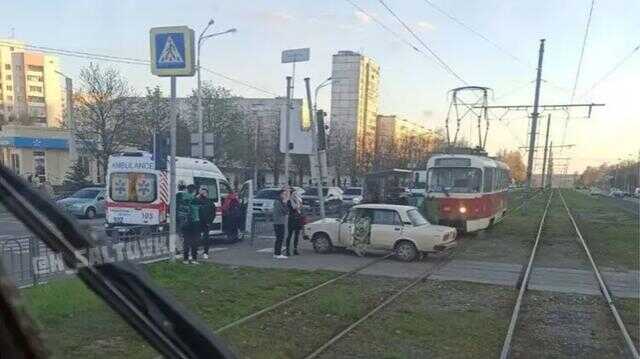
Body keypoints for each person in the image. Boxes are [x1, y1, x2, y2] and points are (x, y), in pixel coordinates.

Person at [178, 184, 201, 264]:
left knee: (186, 241)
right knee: (194, 241)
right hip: (194, 222)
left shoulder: (182, 198)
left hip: (184, 222)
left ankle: (185, 259)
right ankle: (194, 259)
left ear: (187, 190)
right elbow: (197, 212)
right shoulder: (195, 199)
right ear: (194, 191)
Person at [196, 187, 216, 259]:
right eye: (201, 192)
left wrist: (209, 222)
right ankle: (195, 251)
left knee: (206, 238)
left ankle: (206, 252)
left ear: (207, 193)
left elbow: (213, 213)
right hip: (197, 222)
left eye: (204, 192)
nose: (203, 194)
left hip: (206, 223)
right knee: (196, 237)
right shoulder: (197, 201)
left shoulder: (210, 202)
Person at [285, 189, 304, 255]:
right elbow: (293, 208)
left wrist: (300, 205)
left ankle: (295, 249)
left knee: (297, 235)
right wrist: (298, 206)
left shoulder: (298, 200)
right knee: (290, 235)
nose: (295, 195)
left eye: (296, 194)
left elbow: (300, 208)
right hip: (292, 219)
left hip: (298, 218)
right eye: (294, 194)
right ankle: (287, 250)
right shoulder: (289, 201)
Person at [272, 189, 288, 259]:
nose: (284, 196)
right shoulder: (278, 202)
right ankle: (277, 253)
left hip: (280, 222)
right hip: (278, 222)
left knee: (280, 238)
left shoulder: (279, 201)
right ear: (280, 194)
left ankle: (277, 253)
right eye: (283, 194)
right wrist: (285, 204)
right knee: (279, 238)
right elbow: (284, 211)